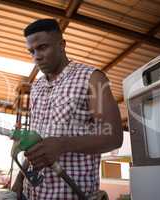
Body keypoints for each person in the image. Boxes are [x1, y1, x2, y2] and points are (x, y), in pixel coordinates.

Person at [12, 19, 123, 200]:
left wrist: (63, 144)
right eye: (31, 51)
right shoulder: (37, 86)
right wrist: (19, 179)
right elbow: (36, 142)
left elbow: (114, 137)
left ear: (62, 44)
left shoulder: (92, 78)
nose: (36, 56)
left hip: (69, 194)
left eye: (42, 47)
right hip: (30, 193)